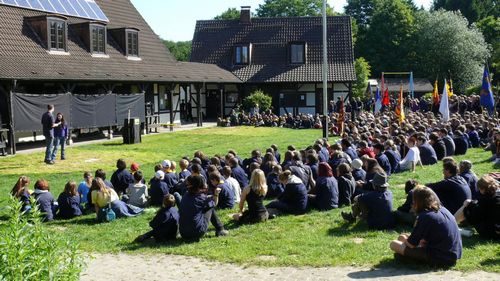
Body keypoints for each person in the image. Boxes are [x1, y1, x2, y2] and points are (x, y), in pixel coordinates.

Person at [390, 186, 462, 267]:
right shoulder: (443, 210)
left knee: (394, 244)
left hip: (441, 258)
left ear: (417, 202)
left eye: (413, 201)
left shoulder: (425, 216)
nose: (412, 204)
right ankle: (408, 257)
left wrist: (405, 239)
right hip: (453, 255)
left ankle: (410, 258)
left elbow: (411, 244)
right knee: (402, 238)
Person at [178, 175, 229, 240]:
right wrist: (216, 194)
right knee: (210, 205)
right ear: (200, 185)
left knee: (208, 204)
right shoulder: (202, 198)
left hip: (183, 233)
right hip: (196, 233)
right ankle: (220, 229)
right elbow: (215, 204)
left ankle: (220, 229)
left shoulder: (185, 195)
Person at [454, 175, 500, 240]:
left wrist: (469, 205)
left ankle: (450, 224)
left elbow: (474, 219)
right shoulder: (496, 195)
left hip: (493, 233)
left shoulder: (485, 200)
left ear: (483, 189)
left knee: (467, 205)